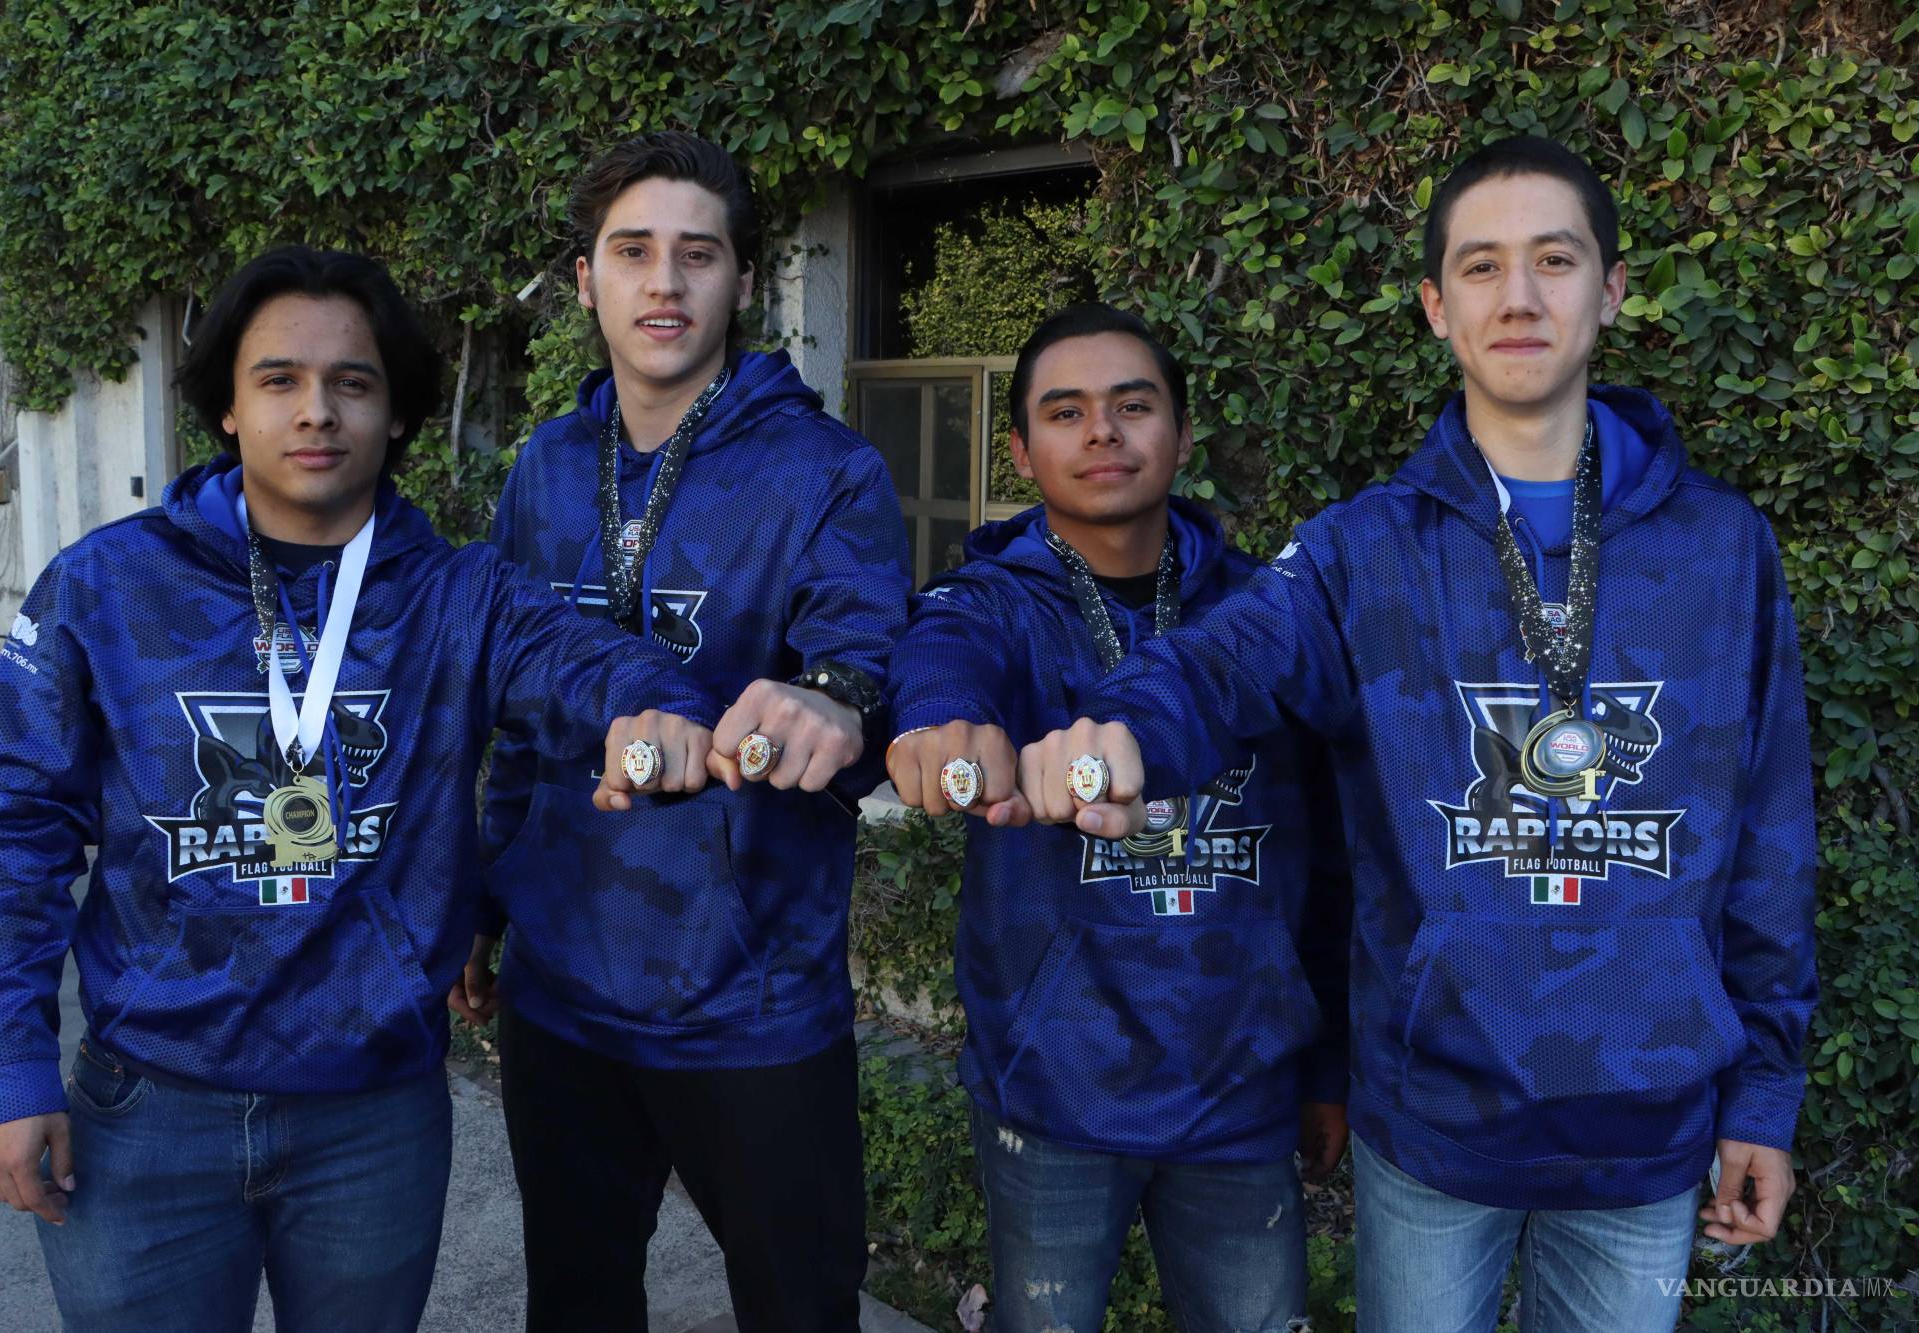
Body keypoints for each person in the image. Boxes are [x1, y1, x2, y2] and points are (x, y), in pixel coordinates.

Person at [1013, 137, 1817, 1332]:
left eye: (1555, 259)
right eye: (1482, 267)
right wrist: (1121, 729)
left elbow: (1767, 834)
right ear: (1438, 307)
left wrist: (1761, 1093)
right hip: (1435, 1119)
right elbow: (1223, 658)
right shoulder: (1361, 550)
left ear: (1609, 289)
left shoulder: (1719, 548)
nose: (1521, 296)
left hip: (1645, 1129)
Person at [0, 246, 720, 1333]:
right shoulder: (106, 586)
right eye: (279, 379)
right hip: (148, 1104)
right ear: (226, 406)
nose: (316, 410)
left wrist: (657, 710)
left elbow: (595, 665)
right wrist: (10, 1064)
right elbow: (17, 840)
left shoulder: (459, 596)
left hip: (373, 1115)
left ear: (397, 413)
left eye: (352, 384)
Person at [456, 131, 909, 1333]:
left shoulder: (829, 472)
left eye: (697, 255)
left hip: (749, 995)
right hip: (562, 991)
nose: (664, 283)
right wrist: (487, 900)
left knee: (799, 1307)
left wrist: (836, 704)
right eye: (633, 252)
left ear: (743, 282)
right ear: (584, 280)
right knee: (579, 1301)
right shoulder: (544, 469)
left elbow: (861, 671)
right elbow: (513, 705)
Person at [884, 303, 1349, 1332]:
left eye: (1131, 405)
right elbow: (939, 660)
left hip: (1239, 1090)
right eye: (1066, 411)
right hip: (1052, 1091)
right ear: (1019, 449)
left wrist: (1324, 1063)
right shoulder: (987, 604)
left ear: (1180, 434)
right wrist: (941, 725)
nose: (1101, 431)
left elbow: (1326, 861)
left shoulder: (1267, 618)